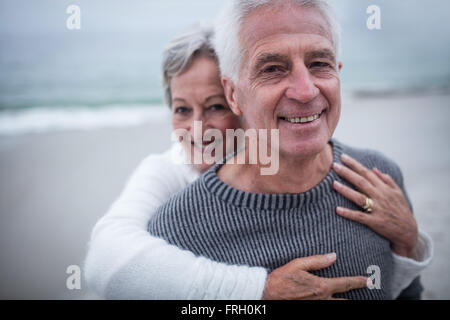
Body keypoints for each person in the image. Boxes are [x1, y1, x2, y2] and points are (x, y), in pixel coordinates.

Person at [85, 23, 431, 300]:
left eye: (216, 106)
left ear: (241, 99)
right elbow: (105, 262)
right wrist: (257, 292)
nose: (196, 128)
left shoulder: (346, 167)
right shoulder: (169, 172)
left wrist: (410, 242)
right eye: (181, 109)